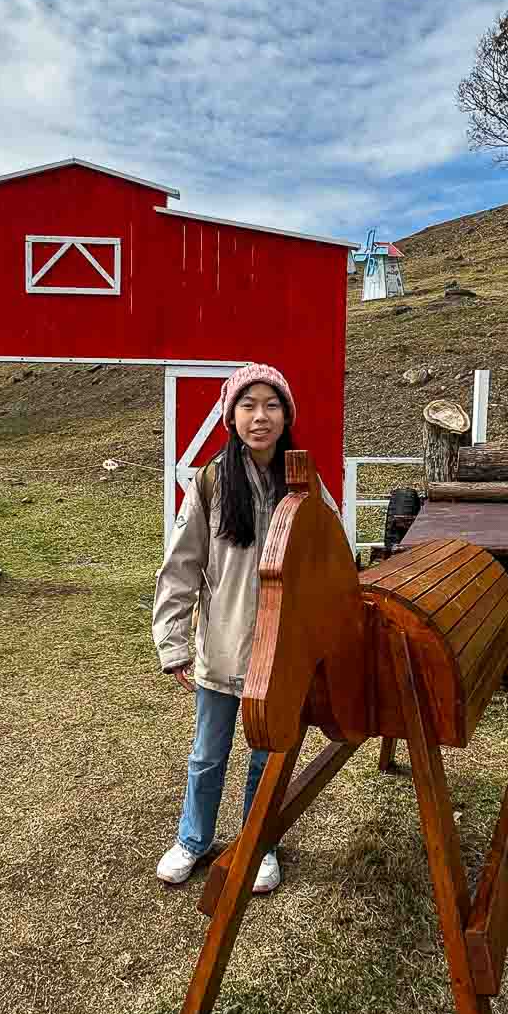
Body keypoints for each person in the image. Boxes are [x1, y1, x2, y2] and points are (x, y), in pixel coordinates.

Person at [152, 363, 339, 895]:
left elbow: (332, 552)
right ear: (231, 416)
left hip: (283, 651)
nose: (261, 417)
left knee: (269, 754)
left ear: (286, 416)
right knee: (207, 753)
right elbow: (181, 566)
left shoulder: (303, 479)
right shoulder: (211, 481)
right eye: (249, 405)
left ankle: (260, 843)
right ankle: (193, 839)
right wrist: (174, 643)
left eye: (272, 405)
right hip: (223, 645)